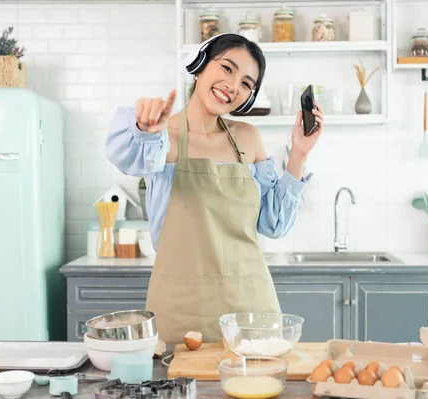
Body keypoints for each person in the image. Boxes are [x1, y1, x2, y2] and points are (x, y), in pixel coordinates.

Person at [106, 33, 324, 345]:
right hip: (180, 304)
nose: (234, 86)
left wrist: (300, 152)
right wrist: (144, 129)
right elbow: (130, 158)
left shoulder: (248, 138)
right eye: (227, 68)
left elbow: (273, 224)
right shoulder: (161, 137)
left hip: (250, 303)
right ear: (200, 64)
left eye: (247, 83)